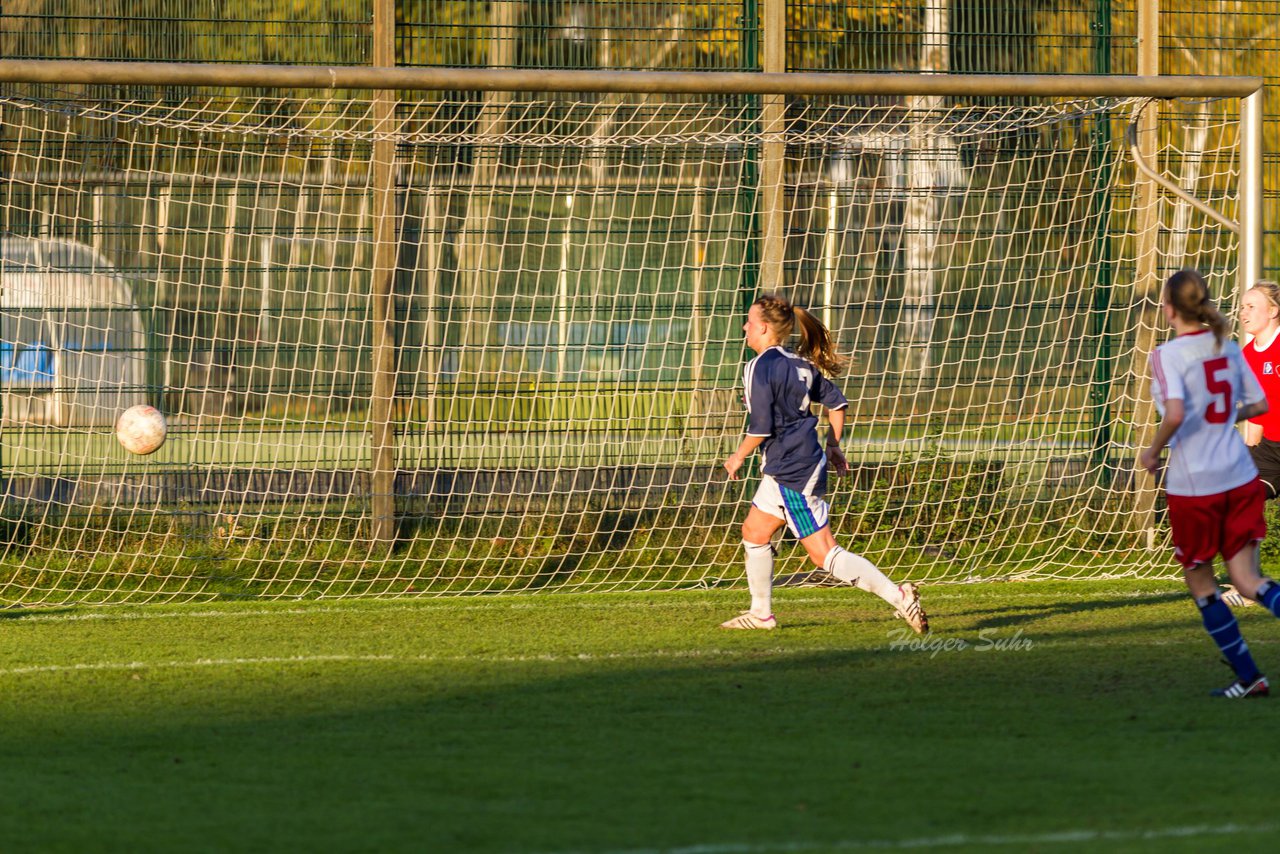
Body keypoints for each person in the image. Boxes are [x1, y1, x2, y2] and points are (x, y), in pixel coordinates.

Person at [719, 293, 928, 634]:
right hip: (792, 463)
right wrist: (833, 445)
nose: (745, 326)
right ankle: (761, 614)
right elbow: (837, 402)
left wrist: (738, 455)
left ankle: (899, 596)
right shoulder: (800, 364)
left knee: (825, 555)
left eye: (750, 321)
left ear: (765, 328)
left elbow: (761, 427)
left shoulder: (760, 366)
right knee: (754, 531)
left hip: (792, 469)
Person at [1139, 269, 1280, 698]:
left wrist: (1152, 451)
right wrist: (1222, 417)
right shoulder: (1230, 347)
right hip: (1239, 474)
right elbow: (1258, 403)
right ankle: (1249, 677)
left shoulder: (1167, 354)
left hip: (1196, 483)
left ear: (1168, 309)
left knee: (1201, 582)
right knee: (1248, 580)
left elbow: (1177, 414)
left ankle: (1250, 676)